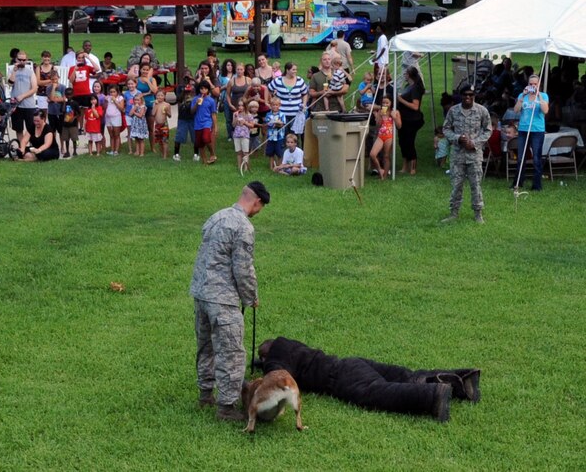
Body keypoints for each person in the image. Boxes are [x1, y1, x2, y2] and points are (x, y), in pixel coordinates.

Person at [257, 337, 480, 422]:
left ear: (267, 355)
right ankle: (462, 381)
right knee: (405, 375)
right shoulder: (288, 344)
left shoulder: (275, 358)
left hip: (339, 378)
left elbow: (277, 377)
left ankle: (433, 396)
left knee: (376, 392)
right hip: (351, 363)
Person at [191, 181, 270, 422]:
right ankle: (226, 407)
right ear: (257, 202)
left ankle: (205, 394)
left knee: (206, 347)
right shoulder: (243, 227)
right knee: (232, 353)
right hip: (222, 300)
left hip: (200, 293)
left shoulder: (217, 216)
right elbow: (243, 269)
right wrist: (251, 297)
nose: (259, 212)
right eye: (261, 207)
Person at [441, 85, 491, 223]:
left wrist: (474, 143)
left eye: (471, 95)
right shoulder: (453, 111)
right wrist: (457, 138)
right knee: (456, 185)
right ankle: (454, 212)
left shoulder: (481, 111)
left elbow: (488, 130)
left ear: (474, 96)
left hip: (474, 155)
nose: (468, 97)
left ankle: (478, 213)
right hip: (458, 155)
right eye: (465, 95)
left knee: (476, 185)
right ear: (461, 96)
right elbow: (446, 129)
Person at [511, 75, 550, 191]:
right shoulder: (522, 96)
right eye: (531, 84)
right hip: (523, 129)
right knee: (520, 158)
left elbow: (545, 111)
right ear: (528, 84)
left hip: (537, 130)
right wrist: (522, 96)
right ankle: (518, 182)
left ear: (539, 85)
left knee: (537, 158)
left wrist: (539, 97)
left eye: (535, 84)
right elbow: (516, 110)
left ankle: (536, 185)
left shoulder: (543, 96)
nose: (533, 86)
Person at [396, 67, 427, 175]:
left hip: (412, 120)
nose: (404, 74)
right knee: (402, 142)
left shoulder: (416, 88)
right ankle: (405, 166)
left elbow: (415, 106)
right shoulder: (407, 86)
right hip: (403, 119)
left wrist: (401, 100)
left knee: (409, 142)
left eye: (406, 73)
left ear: (409, 75)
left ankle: (413, 167)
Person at [370, 97, 402, 180]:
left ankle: (384, 177)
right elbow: (378, 125)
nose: (385, 104)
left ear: (391, 103)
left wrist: (394, 117)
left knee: (386, 156)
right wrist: (379, 116)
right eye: (383, 103)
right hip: (380, 135)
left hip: (389, 136)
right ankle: (380, 170)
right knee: (372, 154)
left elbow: (399, 126)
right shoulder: (381, 111)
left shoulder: (395, 112)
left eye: (387, 103)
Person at [173, 78, 198, 162]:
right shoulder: (181, 93)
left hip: (192, 118)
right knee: (179, 136)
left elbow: (199, 86)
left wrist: (192, 80)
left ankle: (196, 154)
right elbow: (178, 99)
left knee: (195, 137)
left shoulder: (194, 97)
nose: (188, 94)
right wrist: (184, 91)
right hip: (182, 119)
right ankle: (176, 154)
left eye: (189, 92)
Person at [192, 82, 217, 164]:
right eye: (201, 89)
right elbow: (192, 111)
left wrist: (215, 126)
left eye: (205, 89)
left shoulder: (211, 100)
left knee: (206, 138)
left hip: (207, 122)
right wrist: (197, 103)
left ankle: (212, 154)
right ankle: (204, 160)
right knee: (200, 143)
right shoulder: (195, 99)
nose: (203, 91)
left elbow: (213, 114)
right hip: (197, 122)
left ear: (208, 90)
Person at [232, 100, 256, 171]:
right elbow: (233, 125)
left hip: (245, 135)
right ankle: (239, 167)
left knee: (245, 152)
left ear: (245, 106)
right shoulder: (235, 114)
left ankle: (246, 167)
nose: (240, 107)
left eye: (242, 105)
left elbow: (252, 125)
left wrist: (245, 122)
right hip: (237, 135)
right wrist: (236, 118)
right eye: (239, 105)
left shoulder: (249, 115)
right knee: (239, 152)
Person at [263, 98, 285, 170]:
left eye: (276, 105)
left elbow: (282, 124)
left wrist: (276, 123)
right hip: (271, 137)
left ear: (279, 105)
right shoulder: (268, 114)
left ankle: (279, 167)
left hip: (279, 137)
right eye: (273, 105)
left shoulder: (282, 114)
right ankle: (271, 167)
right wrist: (277, 123)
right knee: (271, 153)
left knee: (279, 153)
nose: (275, 106)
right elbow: (268, 124)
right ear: (271, 106)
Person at [103, 84, 124, 156]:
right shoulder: (108, 98)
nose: (112, 93)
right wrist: (105, 101)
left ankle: (116, 150)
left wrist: (115, 101)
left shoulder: (120, 98)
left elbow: (121, 108)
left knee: (116, 134)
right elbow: (104, 107)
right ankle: (112, 150)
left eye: (114, 92)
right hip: (108, 117)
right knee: (111, 135)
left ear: (117, 92)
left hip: (116, 117)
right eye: (111, 92)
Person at [152, 89, 171, 159]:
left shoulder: (167, 105)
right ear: (155, 96)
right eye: (158, 95)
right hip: (157, 125)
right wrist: (156, 105)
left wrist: (166, 111)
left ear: (164, 96)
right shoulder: (155, 104)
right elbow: (153, 113)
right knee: (159, 140)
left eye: (161, 95)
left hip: (164, 124)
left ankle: (165, 156)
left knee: (164, 140)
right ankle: (163, 152)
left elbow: (170, 115)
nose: (159, 97)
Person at [128, 93, 149, 157]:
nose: (136, 101)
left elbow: (140, 115)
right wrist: (134, 108)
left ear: (141, 100)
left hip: (140, 124)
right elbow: (130, 114)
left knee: (141, 139)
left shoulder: (143, 107)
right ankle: (137, 151)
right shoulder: (133, 106)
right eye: (135, 100)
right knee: (136, 138)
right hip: (135, 124)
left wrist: (134, 112)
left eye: (138, 100)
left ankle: (142, 152)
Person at [61, 87, 79, 158]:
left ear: (73, 95)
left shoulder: (75, 103)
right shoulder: (64, 103)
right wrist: (64, 102)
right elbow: (62, 111)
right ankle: (67, 151)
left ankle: (75, 151)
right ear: (65, 95)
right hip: (65, 124)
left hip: (73, 125)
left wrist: (74, 118)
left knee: (74, 138)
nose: (69, 96)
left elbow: (79, 113)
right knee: (66, 139)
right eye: (67, 95)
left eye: (70, 95)